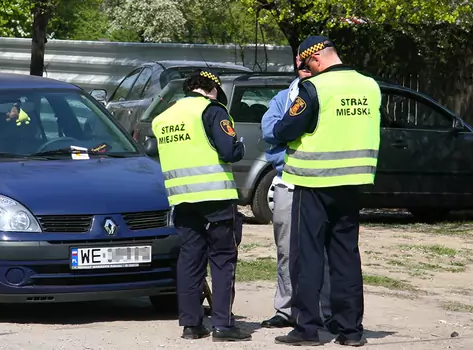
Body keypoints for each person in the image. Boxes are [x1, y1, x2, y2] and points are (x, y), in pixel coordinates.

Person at [271, 36, 381, 347]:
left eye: (307, 66)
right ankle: (351, 331)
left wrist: (280, 131)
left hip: (314, 181)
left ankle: (306, 329)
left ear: (316, 59)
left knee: (308, 257)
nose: (307, 71)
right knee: (345, 256)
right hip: (352, 182)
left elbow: (288, 128)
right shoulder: (369, 85)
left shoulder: (314, 88)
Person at [151, 70, 250, 342]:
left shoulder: (164, 118)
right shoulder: (212, 111)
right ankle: (222, 325)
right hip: (215, 197)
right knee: (222, 259)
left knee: (190, 260)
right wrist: (239, 147)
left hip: (181, 199)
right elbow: (229, 151)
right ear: (212, 89)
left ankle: (191, 325)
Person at [260, 58, 332, 329]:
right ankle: (286, 309)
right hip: (288, 182)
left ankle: (324, 310)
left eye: (308, 59)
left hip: (320, 182)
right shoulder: (282, 98)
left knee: (323, 249)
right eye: (298, 60)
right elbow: (269, 131)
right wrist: (294, 147)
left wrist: (291, 134)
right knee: (287, 249)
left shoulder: (327, 96)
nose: (303, 64)